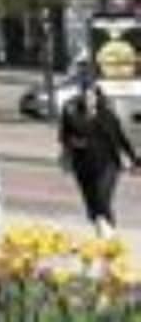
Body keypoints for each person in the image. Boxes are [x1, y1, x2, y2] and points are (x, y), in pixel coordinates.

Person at [58, 71, 138, 236]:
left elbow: (121, 138)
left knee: (102, 198)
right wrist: (70, 148)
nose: (89, 100)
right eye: (85, 96)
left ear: (97, 96)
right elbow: (64, 137)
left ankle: (110, 235)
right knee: (92, 204)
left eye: (92, 96)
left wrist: (134, 159)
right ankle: (101, 231)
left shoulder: (107, 116)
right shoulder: (72, 114)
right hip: (83, 165)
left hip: (108, 164)